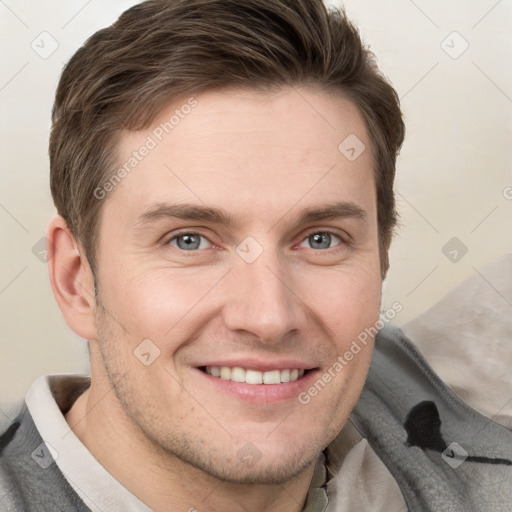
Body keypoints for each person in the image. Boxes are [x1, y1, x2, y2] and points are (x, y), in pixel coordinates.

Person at [1, 1, 510, 511]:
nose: (268, 317)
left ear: (381, 258)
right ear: (76, 280)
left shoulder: (475, 409)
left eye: (320, 239)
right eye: (189, 241)